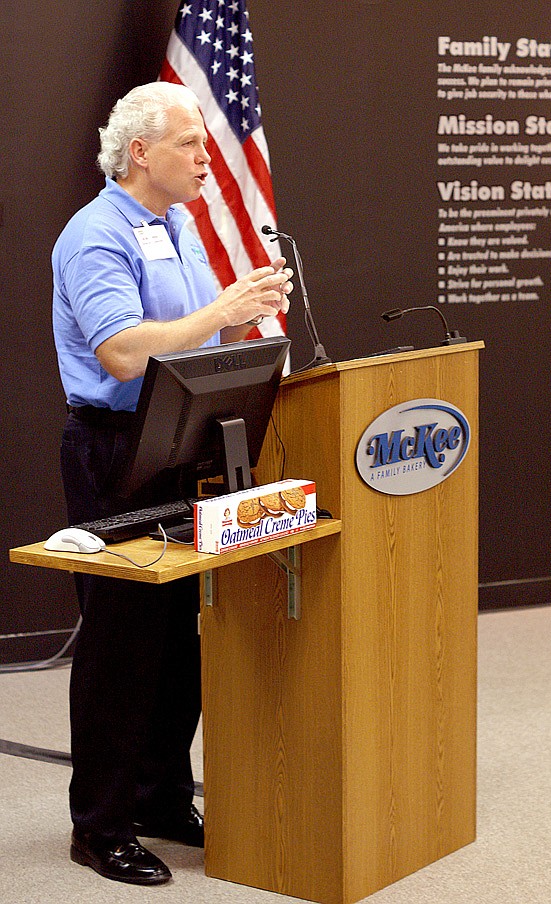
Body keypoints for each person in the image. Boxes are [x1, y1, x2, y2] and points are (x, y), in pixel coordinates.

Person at [51, 81, 292, 886]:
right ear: (141, 151)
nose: (206, 156)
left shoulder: (177, 222)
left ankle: (159, 795)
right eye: (191, 143)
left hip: (183, 435)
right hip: (116, 448)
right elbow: (123, 353)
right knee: (122, 644)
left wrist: (239, 314)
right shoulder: (95, 237)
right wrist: (219, 306)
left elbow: (191, 337)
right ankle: (102, 824)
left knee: (181, 638)